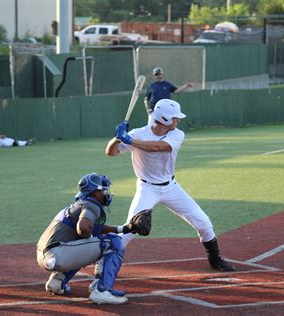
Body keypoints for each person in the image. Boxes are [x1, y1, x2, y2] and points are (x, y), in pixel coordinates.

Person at [106, 99, 236, 272]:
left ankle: (215, 259)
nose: (178, 121)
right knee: (130, 229)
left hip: (171, 188)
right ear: (165, 118)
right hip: (147, 188)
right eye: (175, 118)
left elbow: (158, 147)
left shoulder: (176, 134)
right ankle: (104, 263)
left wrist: (129, 140)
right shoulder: (138, 134)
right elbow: (111, 152)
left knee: (203, 222)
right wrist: (117, 139)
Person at [37, 173, 146, 305]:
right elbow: (84, 227)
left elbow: (93, 227)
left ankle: (57, 281)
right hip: (59, 254)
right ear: (96, 193)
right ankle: (102, 291)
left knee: (86, 243)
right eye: (103, 190)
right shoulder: (91, 205)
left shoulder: (77, 205)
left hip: (46, 255)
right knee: (112, 242)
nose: (106, 193)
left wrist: (124, 229)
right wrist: (89, 240)